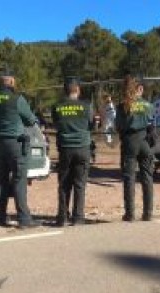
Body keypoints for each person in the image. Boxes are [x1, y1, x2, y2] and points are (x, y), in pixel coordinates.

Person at [0, 66, 40, 229]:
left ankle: (1, 218)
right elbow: (31, 120)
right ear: (10, 80)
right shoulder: (18, 99)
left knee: (1, 181)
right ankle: (24, 219)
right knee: (19, 180)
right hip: (15, 144)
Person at [52, 76, 93, 226]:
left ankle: (62, 217)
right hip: (82, 148)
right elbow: (91, 125)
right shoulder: (86, 106)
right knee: (79, 184)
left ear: (65, 90)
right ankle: (78, 217)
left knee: (64, 184)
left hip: (65, 149)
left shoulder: (57, 106)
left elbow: (56, 124)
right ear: (78, 89)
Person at [115, 75, 155, 222]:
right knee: (147, 177)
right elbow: (152, 123)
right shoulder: (149, 106)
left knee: (129, 178)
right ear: (140, 89)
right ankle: (148, 212)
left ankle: (130, 213)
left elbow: (118, 126)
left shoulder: (122, 107)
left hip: (129, 142)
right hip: (145, 142)